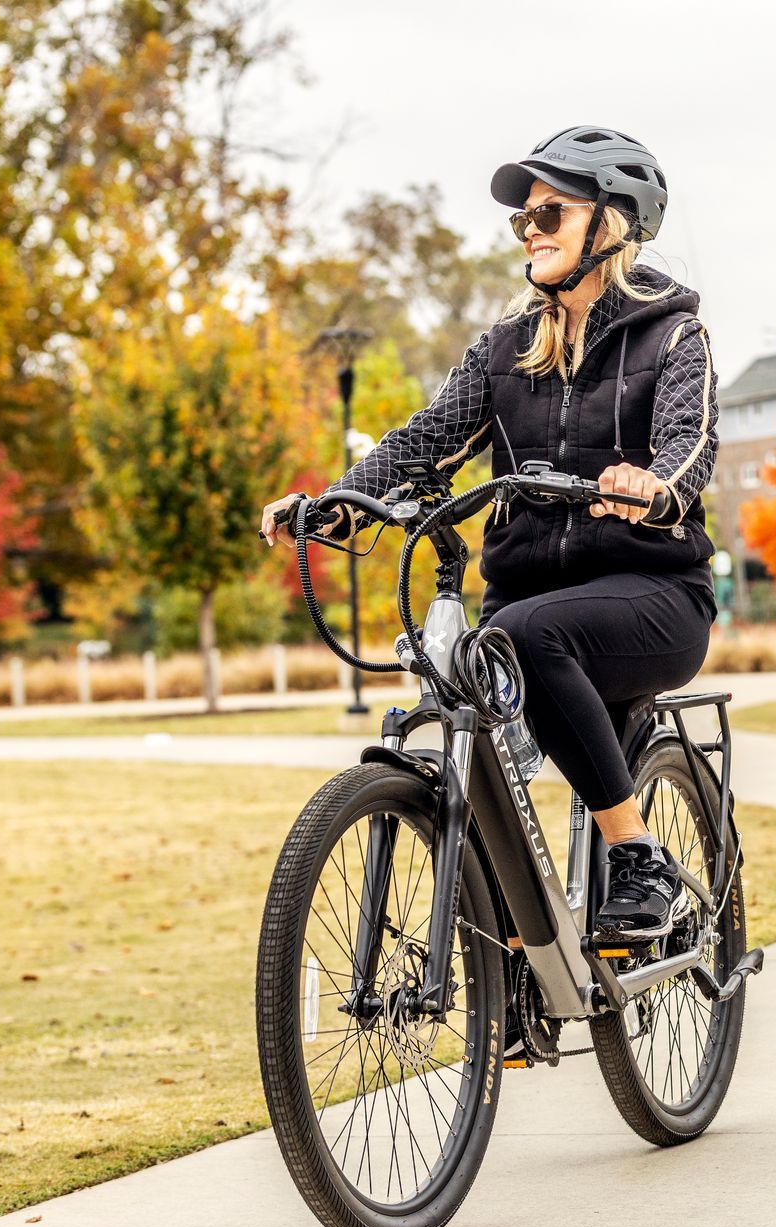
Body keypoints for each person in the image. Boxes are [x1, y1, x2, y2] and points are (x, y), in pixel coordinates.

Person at [261, 126, 719, 939]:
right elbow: (424, 439)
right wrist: (336, 502)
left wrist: (653, 488)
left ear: (612, 221)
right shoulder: (507, 348)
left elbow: (692, 446)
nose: (531, 230)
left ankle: (637, 852)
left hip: (650, 592)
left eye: (551, 212)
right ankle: (508, 960)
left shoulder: (673, 336)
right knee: (476, 703)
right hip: (529, 600)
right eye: (523, 221)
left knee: (519, 635)